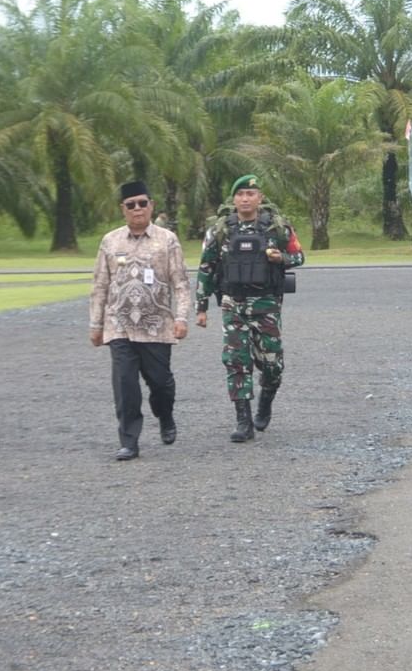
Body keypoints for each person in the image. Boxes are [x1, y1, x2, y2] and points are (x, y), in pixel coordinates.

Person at [195, 175, 304, 442]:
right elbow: (206, 268)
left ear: (260, 198)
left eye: (250, 194)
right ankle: (243, 421)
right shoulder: (220, 231)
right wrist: (201, 306)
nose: (245, 198)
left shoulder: (277, 229)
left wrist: (282, 258)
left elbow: (299, 257)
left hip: (266, 305)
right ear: (233, 199)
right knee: (236, 362)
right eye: (241, 193)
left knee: (272, 365)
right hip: (233, 305)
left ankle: (265, 401)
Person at [89, 181, 191, 461]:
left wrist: (181, 317)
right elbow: (100, 284)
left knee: (160, 384)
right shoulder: (110, 241)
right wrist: (96, 325)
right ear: (123, 209)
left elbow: (180, 282)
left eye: (142, 203)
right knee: (125, 385)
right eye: (131, 204)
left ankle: (165, 415)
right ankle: (129, 440)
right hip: (119, 325)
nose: (137, 209)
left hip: (156, 325)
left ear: (151, 205)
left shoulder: (167, 239)